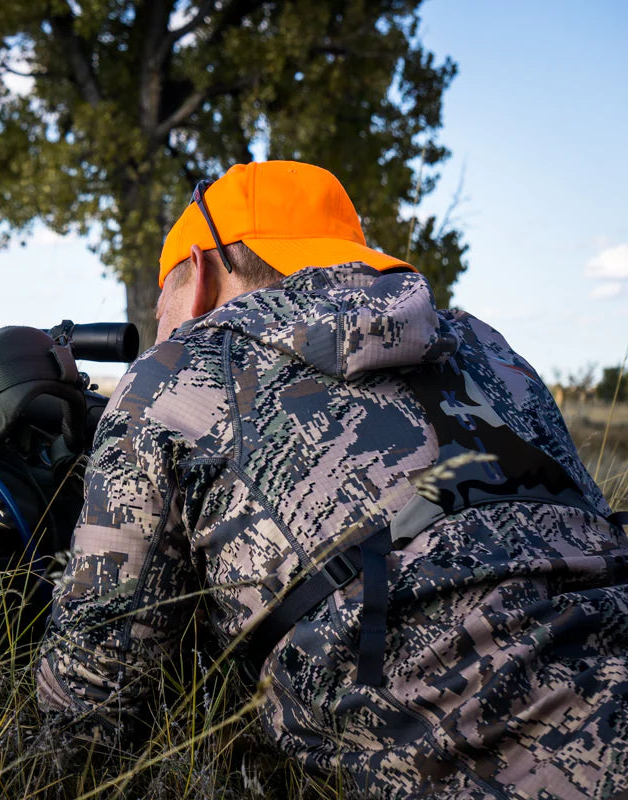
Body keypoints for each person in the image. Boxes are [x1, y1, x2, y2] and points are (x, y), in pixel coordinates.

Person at [36, 160, 628, 798]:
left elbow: (91, 705)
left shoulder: (179, 367)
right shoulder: (490, 348)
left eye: (163, 309)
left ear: (201, 274)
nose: (161, 332)